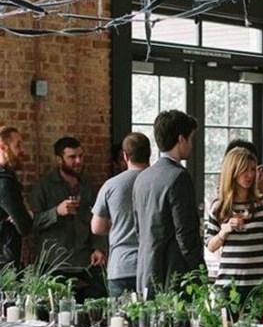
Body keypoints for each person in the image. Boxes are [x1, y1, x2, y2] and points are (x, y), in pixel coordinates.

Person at [206, 147, 263, 304]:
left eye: (253, 169)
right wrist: (223, 232)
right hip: (228, 286)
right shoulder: (219, 207)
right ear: (232, 171)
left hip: (260, 286)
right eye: (244, 170)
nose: (250, 175)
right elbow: (210, 246)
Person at [133, 110, 203, 292]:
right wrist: (199, 271)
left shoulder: (142, 177)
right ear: (181, 139)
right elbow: (185, 234)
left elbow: (139, 229)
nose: (191, 145)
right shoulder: (179, 177)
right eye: (191, 139)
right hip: (173, 275)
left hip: (145, 270)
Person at [31, 136, 107, 269]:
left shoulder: (87, 186)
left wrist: (98, 248)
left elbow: (98, 219)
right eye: (72, 157)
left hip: (85, 262)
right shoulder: (44, 186)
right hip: (53, 262)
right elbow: (32, 223)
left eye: (81, 156)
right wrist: (56, 212)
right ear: (59, 160)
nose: (78, 161)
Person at [91, 132, 151, 297]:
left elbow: (97, 228)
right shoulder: (158, 182)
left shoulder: (111, 185)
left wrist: (118, 222)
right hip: (151, 264)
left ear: (125, 156)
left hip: (121, 265)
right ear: (149, 153)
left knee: (120, 320)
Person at [0, 126, 32, 269]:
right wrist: (27, 214)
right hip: (4, 261)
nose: (21, 150)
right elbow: (24, 225)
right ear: (3, 147)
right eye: (17, 145)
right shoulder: (4, 182)